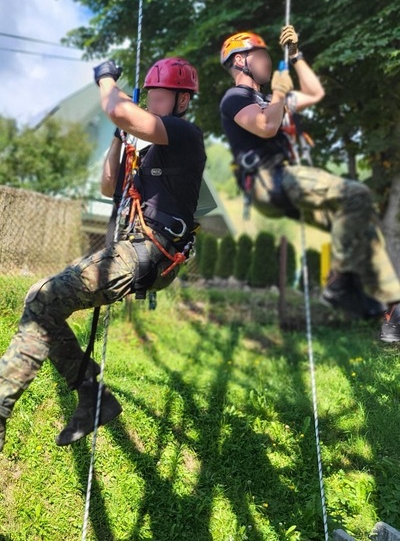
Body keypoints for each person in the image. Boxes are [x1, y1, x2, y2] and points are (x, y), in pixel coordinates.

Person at [0, 56, 206, 452]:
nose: (150, 103)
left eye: (158, 97)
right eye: (147, 97)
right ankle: (92, 394)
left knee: (44, 298)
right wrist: (118, 135)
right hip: (137, 250)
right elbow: (107, 185)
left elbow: (119, 108)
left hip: (150, 250)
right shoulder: (148, 152)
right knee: (39, 299)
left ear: (181, 101)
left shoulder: (185, 135)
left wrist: (107, 80)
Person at [219, 26, 400, 326]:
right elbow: (266, 126)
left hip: (284, 182)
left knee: (363, 226)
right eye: (261, 56)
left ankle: (393, 308)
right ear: (240, 61)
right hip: (268, 180)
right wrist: (278, 93)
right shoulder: (235, 97)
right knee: (356, 194)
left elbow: (316, 92)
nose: (267, 61)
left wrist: (296, 55)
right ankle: (340, 284)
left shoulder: (269, 99)